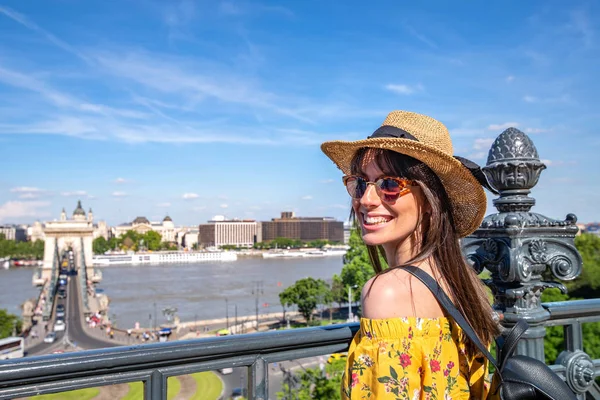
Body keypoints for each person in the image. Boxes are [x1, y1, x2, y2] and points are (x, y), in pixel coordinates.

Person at [321, 111, 500, 399]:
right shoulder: (460, 282)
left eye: (390, 184)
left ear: (431, 200)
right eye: (360, 183)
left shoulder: (388, 293)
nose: (365, 200)